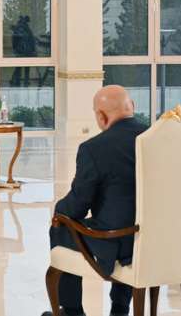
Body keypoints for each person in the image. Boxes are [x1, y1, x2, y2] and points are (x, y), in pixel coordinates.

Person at [43, 85, 148, 316]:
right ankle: (120, 308)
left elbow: (77, 207)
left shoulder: (94, 148)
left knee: (62, 225)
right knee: (130, 220)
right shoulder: (157, 140)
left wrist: (58, 210)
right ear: (132, 107)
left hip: (120, 242)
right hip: (159, 240)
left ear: (101, 116)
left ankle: (72, 311)